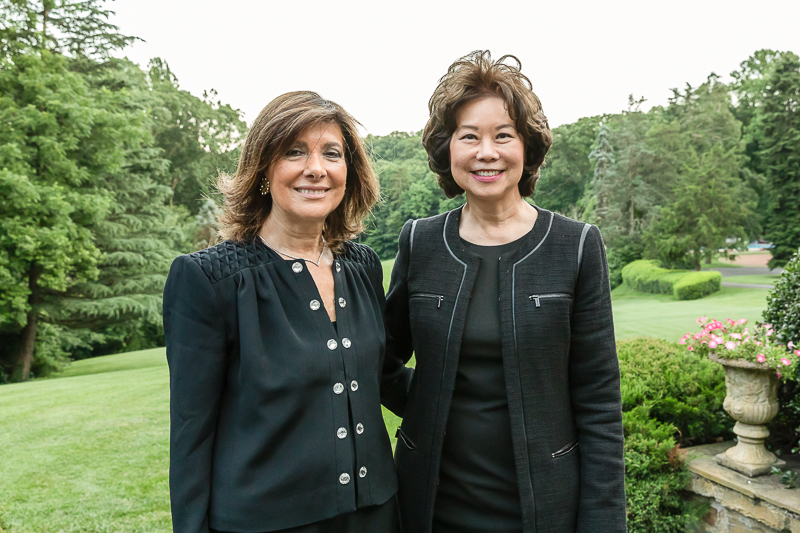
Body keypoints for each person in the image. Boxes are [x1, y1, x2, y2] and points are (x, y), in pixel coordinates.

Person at [381, 51, 626, 533]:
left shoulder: (575, 245)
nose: (486, 152)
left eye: (503, 135)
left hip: (544, 510)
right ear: (447, 149)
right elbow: (380, 358)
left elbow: (599, 402)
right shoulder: (420, 241)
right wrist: (433, 403)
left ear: (527, 147)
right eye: (469, 136)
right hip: (429, 507)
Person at [163, 91, 399, 533]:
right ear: (262, 169)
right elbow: (192, 433)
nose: (316, 168)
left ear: (349, 172)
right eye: (294, 152)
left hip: (376, 516)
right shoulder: (208, 279)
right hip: (264, 524)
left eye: (332, 154)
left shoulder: (363, 266)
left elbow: (383, 377)